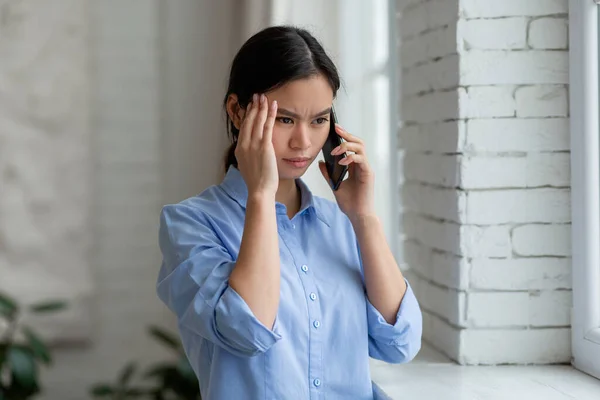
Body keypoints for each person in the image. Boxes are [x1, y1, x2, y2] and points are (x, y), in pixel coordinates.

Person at [156, 25, 422, 400]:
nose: (304, 142)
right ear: (238, 111)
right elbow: (246, 330)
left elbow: (401, 342)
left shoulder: (342, 225)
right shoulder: (190, 224)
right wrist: (261, 195)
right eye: (285, 119)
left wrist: (363, 217)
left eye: (319, 120)